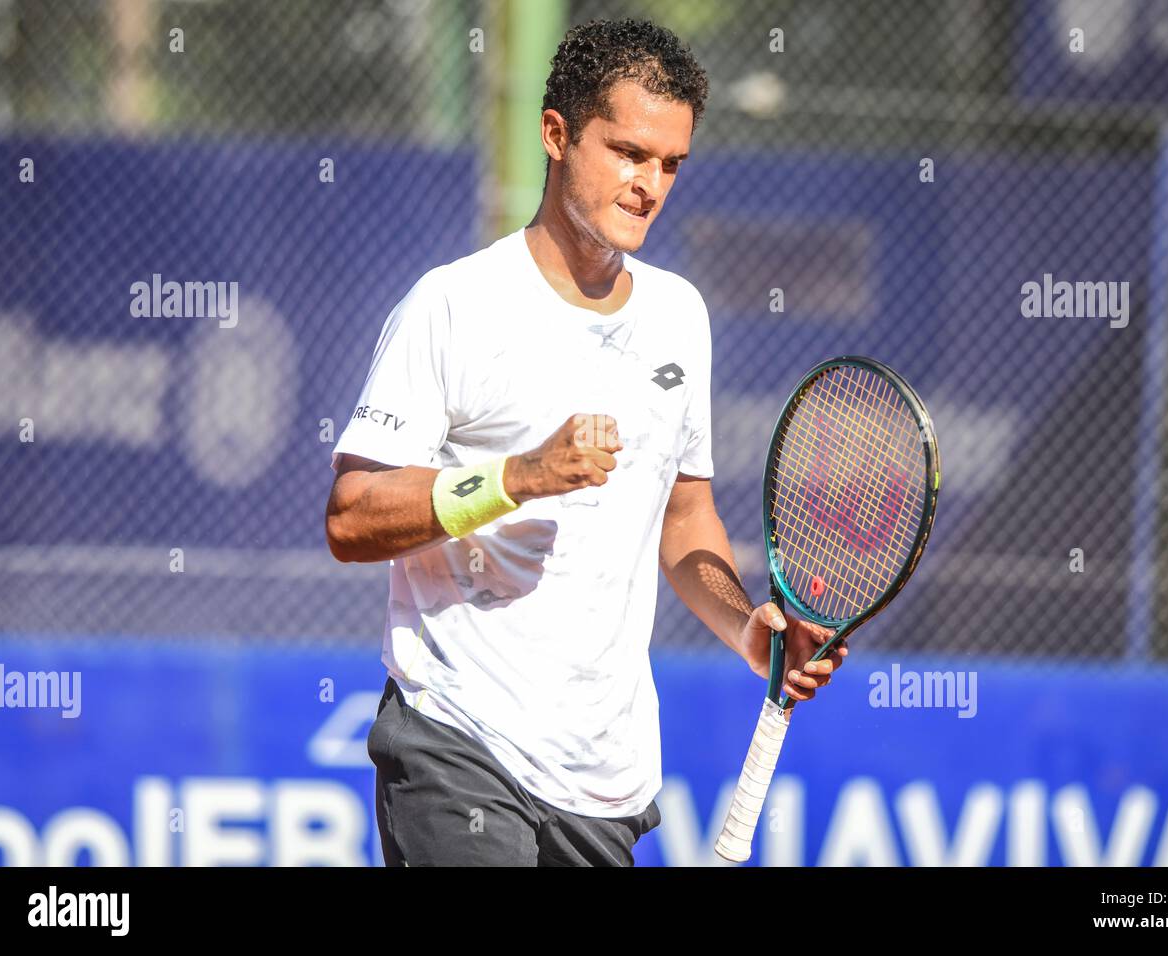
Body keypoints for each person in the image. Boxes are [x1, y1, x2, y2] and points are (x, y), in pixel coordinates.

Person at [325, 17, 844, 867]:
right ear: (555, 134)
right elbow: (351, 518)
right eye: (630, 153)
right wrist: (519, 477)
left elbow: (685, 524)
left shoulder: (680, 316)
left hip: (605, 781)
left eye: (672, 163)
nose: (651, 184)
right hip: (459, 744)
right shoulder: (453, 306)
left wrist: (744, 624)